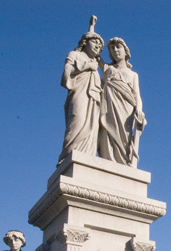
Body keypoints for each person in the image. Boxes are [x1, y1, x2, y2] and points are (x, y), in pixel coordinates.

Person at [57, 16, 104, 165]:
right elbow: (66, 74)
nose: (97, 46)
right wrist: (86, 67)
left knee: (92, 126)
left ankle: (88, 156)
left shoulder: (95, 62)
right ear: (85, 42)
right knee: (77, 121)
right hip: (79, 94)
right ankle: (68, 155)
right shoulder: (75, 55)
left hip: (94, 98)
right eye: (94, 42)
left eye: (100, 45)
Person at [98, 37, 146, 167]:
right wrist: (91, 28)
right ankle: (108, 165)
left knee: (124, 140)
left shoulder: (133, 75)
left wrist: (139, 110)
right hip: (108, 109)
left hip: (126, 111)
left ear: (125, 51)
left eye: (118, 47)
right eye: (112, 48)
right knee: (106, 135)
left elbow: (137, 95)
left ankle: (123, 165)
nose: (115, 50)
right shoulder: (108, 69)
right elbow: (94, 53)